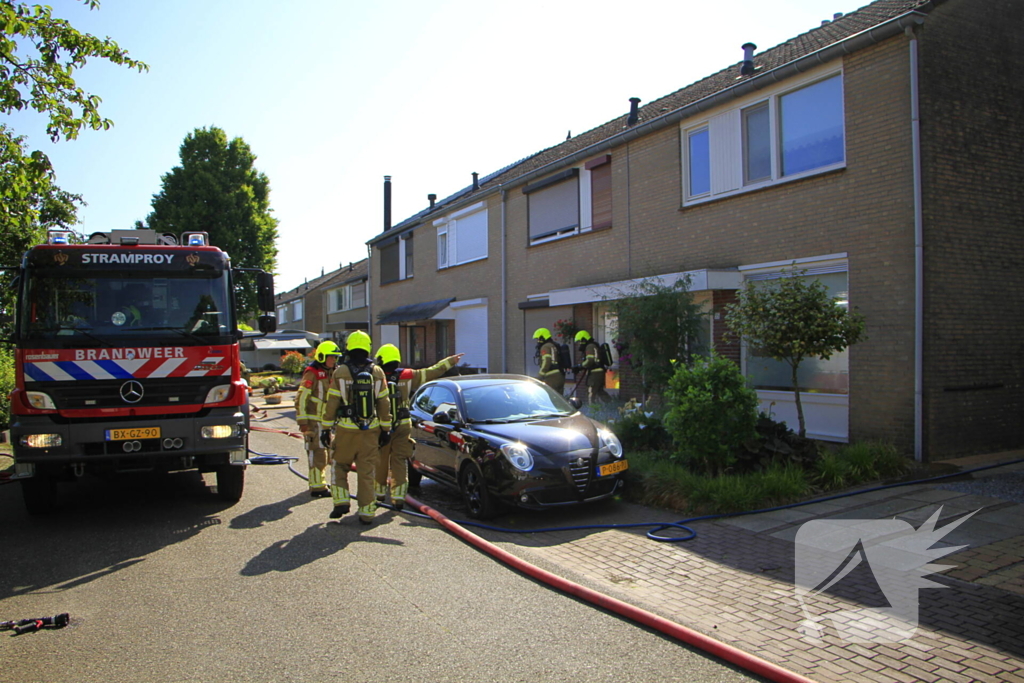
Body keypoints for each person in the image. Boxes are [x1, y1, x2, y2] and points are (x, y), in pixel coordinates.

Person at [374, 344, 464, 510]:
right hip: (402, 425)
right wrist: (450, 361)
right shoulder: (407, 375)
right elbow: (431, 372)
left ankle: (379, 495)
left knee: (381, 460)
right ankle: (399, 497)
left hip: (381, 426)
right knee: (399, 460)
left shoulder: (375, 377)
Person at [320, 330, 392, 524]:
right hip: (371, 430)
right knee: (367, 471)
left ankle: (341, 501)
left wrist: (325, 428)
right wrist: (386, 430)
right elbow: (384, 403)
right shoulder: (378, 372)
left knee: (339, 465)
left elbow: (332, 402)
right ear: (368, 348)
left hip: (345, 429)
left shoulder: (340, 371)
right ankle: (367, 512)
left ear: (349, 347)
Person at [294, 341, 342, 497]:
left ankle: (319, 482)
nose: (334, 360)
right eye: (331, 357)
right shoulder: (312, 373)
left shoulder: (334, 372)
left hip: (328, 421)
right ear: (322, 357)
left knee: (328, 453)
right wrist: (303, 424)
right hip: (314, 421)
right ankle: (317, 486)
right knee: (317, 452)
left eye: (335, 357)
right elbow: (301, 398)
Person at [574, 330, 611, 403]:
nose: (580, 344)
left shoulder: (590, 346)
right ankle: (611, 405)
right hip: (598, 372)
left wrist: (580, 366)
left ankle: (591, 410)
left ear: (584, 339)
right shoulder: (592, 345)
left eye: (580, 341)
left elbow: (590, 360)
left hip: (595, 373)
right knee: (599, 391)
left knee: (590, 392)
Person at [532, 328, 565, 394]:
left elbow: (547, 361)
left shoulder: (545, 347)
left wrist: (540, 375)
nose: (537, 341)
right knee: (559, 400)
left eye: (538, 339)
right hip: (560, 376)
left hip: (551, 377)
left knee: (550, 399)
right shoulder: (553, 345)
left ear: (542, 338)